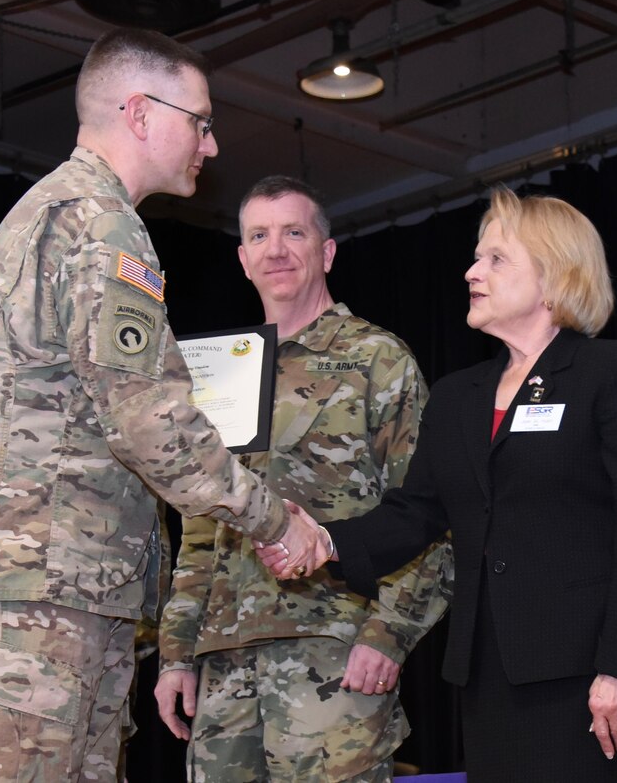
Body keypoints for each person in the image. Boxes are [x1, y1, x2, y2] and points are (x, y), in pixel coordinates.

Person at [0, 29, 320, 783]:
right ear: (138, 112)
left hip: (37, 588)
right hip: (32, 594)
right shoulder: (99, 226)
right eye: (199, 119)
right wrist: (271, 519)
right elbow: (148, 419)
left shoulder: (57, 212)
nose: (212, 142)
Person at [260, 186, 617, 782]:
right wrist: (325, 541)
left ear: (554, 276)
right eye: (475, 257)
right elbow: (416, 512)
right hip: (490, 679)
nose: (471, 272)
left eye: (495, 259)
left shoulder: (613, 373)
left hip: (595, 680)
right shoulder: (460, 396)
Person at [153, 176, 451, 782]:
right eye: (259, 235)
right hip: (225, 661)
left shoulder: (376, 358)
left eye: (295, 232)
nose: (276, 249)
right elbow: (200, 529)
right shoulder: (222, 372)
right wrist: (176, 653)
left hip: (333, 649)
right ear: (242, 258)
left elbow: (428, 510)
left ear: (327, 251)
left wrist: (389, 634)